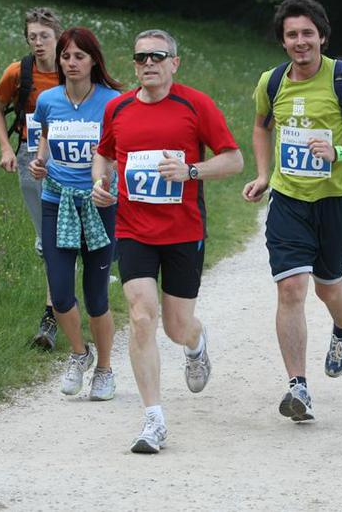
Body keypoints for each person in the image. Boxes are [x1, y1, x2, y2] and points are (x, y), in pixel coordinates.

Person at [91, 29, 243, 452]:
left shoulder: (196, 105)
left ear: (175, 62)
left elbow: (234, 159)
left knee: (177, 327)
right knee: (142, 315)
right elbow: (103, 154)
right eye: (141, 57)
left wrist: (191, 171)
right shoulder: (118, 108)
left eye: (158, 56)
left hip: (183, 232)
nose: (149, 64)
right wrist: (100, 183)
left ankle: (196, 344)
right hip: (133, 229)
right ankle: (153, 419)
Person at [242, 0, 342, 422]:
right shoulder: (271, 82)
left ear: (322, 36)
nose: (300, 41)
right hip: (288, 200)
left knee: (328, 288)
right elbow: (261, 127)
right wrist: (264, 174)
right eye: (292, 35)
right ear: (283, 41)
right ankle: (298, 387)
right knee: (291, 288)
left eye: (307, 33)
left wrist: (339, 152)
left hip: (334, 201)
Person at [28, 27, 122, 399]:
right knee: (61, 292)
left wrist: (109, 185)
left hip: (98, 206)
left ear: (93, 60)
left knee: (97, 298)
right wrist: (39, 163)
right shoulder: (48, 100)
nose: (71, 63)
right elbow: (44, 138)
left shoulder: (113, 102)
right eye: (65, 56)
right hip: (57, 202)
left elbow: (121, 149)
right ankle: (79, 354)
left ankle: (105, 370)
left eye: (79, 56)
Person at [0, 7, 64, 350]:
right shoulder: (18, 72)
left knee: (60, 238)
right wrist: (6, 148)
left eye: (44, 36)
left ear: (58, 37)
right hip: (30, 158)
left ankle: (53, 314)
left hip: (68, 162)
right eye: (32, 36)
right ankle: (55, 311)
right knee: (49, 236)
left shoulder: (72, 69)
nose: (38, 42)